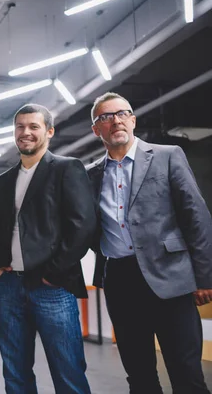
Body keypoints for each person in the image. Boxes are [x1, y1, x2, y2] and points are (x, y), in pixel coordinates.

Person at [87, 92, 212, 393]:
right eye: (105, 116)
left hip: (171, 276)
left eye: (122, 113)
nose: (115, 120)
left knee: (186, 374)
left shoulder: (168, 155)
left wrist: (204, 276)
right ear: (96, 129)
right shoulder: (91, 175)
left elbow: (196, 217)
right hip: (121, 280)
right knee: (140, 376)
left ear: (132, 119)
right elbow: (87, 227)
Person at [0, 103, 94, 394]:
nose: (26, 132)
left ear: (49, 131)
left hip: (52, 287)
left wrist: (53, 273)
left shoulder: (67, 169)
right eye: (20, 127)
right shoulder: (4, 180)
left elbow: (82, 226)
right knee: (15, 372)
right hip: (9, 287)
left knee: (68, 371)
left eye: (34, 126)